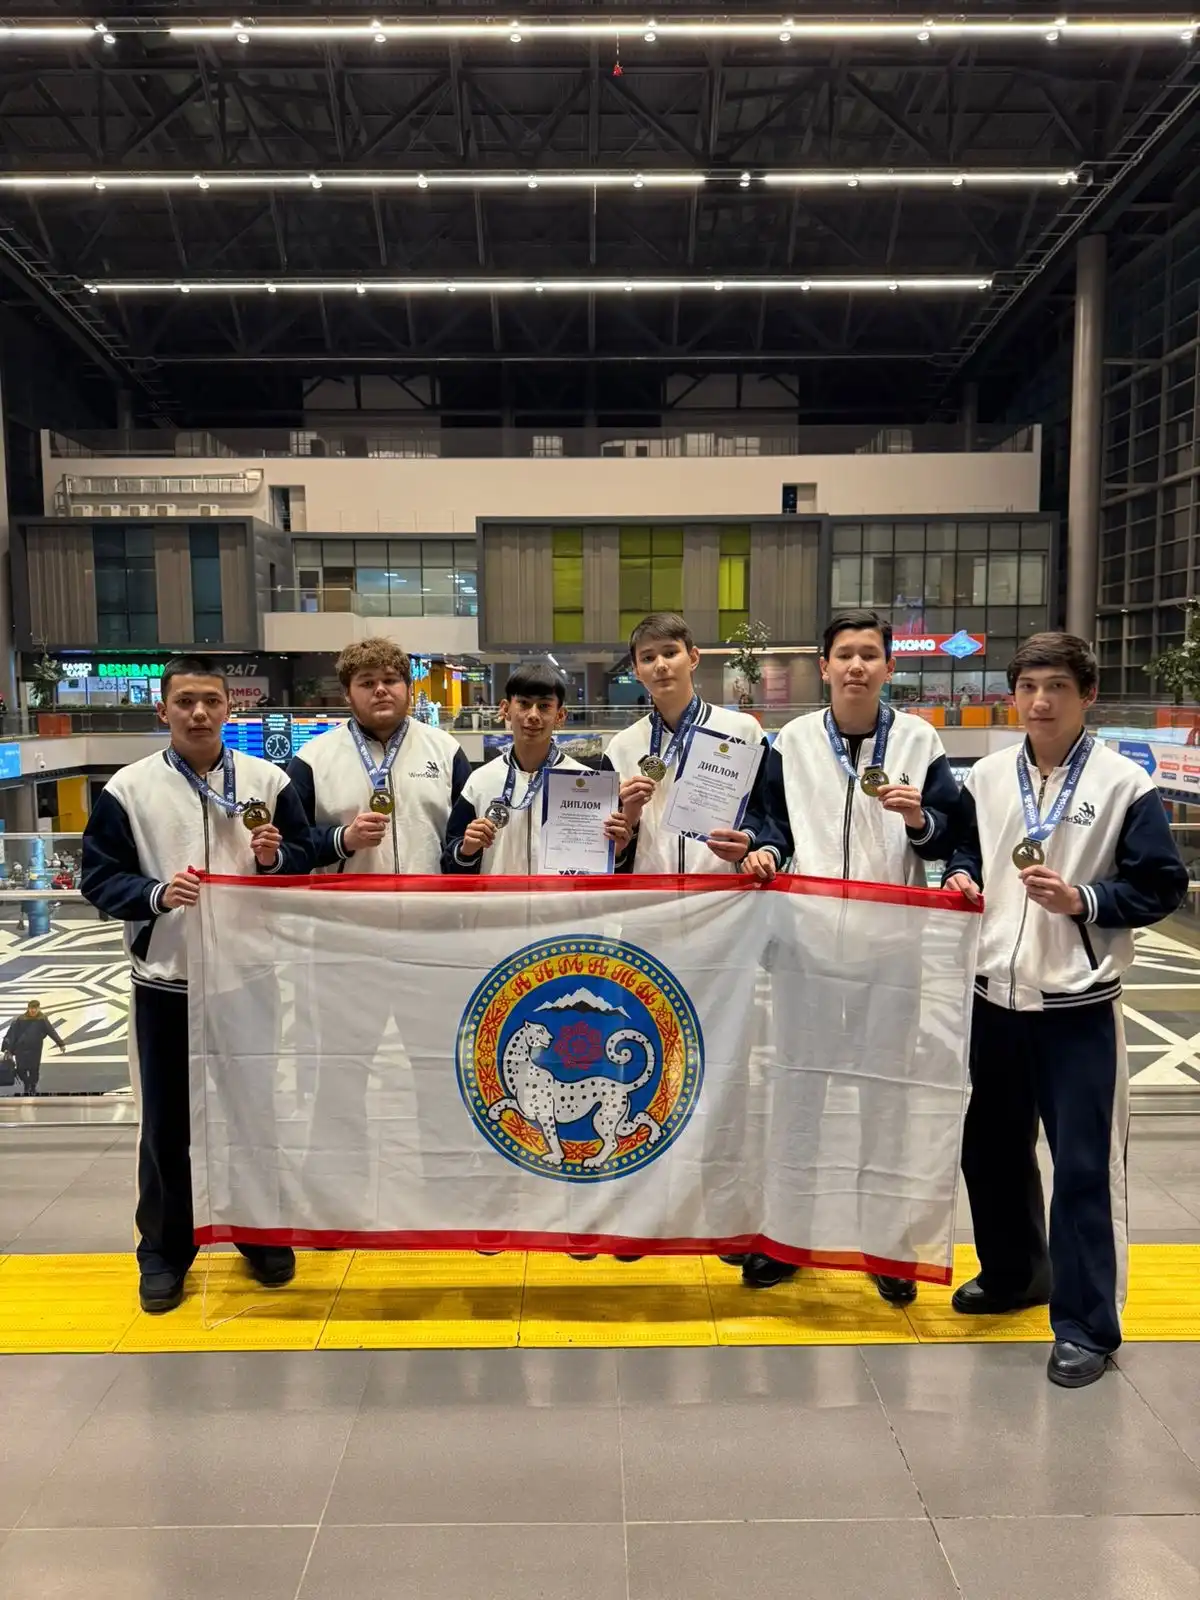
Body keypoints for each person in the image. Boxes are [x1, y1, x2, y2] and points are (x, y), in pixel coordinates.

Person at [943, 632, 1187, 1388]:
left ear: (1087, 697)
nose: (1040, 702)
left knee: (1083, 1167)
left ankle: (1086, 1326)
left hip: (1078, 1007)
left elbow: (1161, 884)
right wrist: (958, 875)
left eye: (1056, 688)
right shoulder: (987, 776)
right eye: (1028, 687)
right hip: (994, 998)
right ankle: (1015, 1273)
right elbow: (960, 849)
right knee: (989, 1150)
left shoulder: (1123, 785)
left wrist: (1084, 899)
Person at [738, 608, 962, 1299]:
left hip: (891, 952)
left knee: (884, 1102)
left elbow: (952, 835)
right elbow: (769, 822)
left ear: (889, 666)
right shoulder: (793, 741)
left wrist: (919, 819)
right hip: (804, 948)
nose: (857, 665)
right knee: (797, 1095)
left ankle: (887, 1248)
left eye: (870, 654)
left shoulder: (920, 740)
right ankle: (786, 1238)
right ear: (825, 666)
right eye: (845, 654)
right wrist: (765, 850)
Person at [80, 654, 313, 1314]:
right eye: (185, 701)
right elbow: (99, 876)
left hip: (248, 975)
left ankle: (258, 1233)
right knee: (166, 1124)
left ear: (230, 707)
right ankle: (163, 1249)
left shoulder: (267, 779)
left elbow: (302, 862)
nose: (199, 712)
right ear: (164, 710)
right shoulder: (129, 789)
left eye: (211, 699)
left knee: (253, 1114)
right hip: (167, 980)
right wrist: (155, 894)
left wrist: (274, 858)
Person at [603, 611, 769, 875]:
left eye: (670, 653)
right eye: (648, 658)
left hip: (723, 890)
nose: (660, 665)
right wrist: (628, 821)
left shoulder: (743, 731)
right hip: (649, 893)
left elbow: (766, 810)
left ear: (693, 658)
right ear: (636, 671)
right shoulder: (620, 748)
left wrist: (749, 840)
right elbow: (609, 845)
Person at [286, 638, 470, 875]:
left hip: (427, 896)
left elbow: (465, 837)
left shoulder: (446, 750)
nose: (380, 689)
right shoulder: (312, 759)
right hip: (347, 898)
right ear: (347, 694)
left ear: (409, 688)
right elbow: (290, 843)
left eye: (390, 680)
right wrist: (342, 839)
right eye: (367, 683)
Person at [442, 660, 631, 876]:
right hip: (498, 898)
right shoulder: (480, 781)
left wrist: (616, 853)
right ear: (506, 709)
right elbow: (451, 860)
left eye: (544, 706)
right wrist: (466, 850)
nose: (533, 715)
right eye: (523, 703)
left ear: (560, 716)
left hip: (562, 898)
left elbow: (602, 871)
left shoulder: (588, 784)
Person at [2, 1000, 66, 1095]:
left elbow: (51, 1031)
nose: (33, 1010)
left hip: (35, 1049)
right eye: (31, 1008)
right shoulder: (21, 1019)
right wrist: (8, 1049)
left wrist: (61, 1043)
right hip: (21, 1049)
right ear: (28, 1008)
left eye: (35, 1008)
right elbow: (12, 1034)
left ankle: (32, 1086)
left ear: (38, 1008)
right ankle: (27, 1083)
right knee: (20, 1069)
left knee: (34, 1069)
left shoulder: (42, 1019)